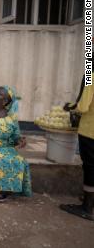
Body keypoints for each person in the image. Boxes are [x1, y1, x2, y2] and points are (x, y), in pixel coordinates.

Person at [60, 75, 94, 221]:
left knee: (90, 167)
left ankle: (87, 207)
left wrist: (72, 106)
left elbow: (83, 106)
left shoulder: (91, 76)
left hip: (90, 130)